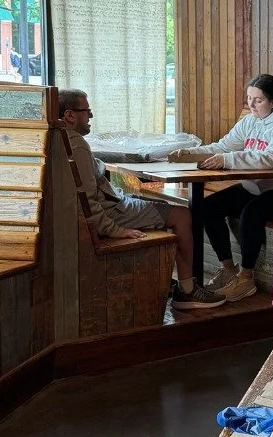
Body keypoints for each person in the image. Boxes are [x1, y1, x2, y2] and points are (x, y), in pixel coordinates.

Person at [59, 89, 224, 311]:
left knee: (163, 207)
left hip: (108, 206)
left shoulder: (59, 138)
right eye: (86, 111)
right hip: (112, 213)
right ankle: (187, 292)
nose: (90, 116)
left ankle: (172, 282)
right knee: (182, 215)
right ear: (70, 115)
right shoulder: (76, 143)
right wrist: (114, 230)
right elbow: (87, 200)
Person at [170, 74, 273, 302]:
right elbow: (224, 146)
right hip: (257, 186)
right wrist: (190, 153)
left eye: (258, 100)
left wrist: (226, 161)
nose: (251, 105)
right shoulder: (250, 120)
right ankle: (229, 270)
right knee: (207, 207)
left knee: (251, 212)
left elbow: (270, 159)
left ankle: (246, 278)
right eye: (249, 99)